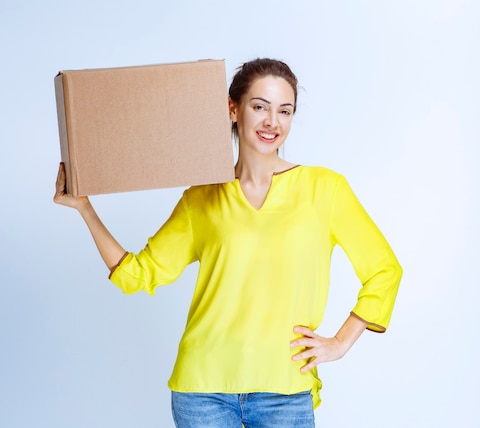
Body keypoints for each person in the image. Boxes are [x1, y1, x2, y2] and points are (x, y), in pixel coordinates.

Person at [54, 58, 402, 428]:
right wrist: (85, 208)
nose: (272, 121)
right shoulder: (201, 198)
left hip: (284, 391)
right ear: (232, 109)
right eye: (260, 107)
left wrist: (340, 342)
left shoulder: (325, 189)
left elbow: (384, 269)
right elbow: (139, 274)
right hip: (203, 393)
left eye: (284, 111)